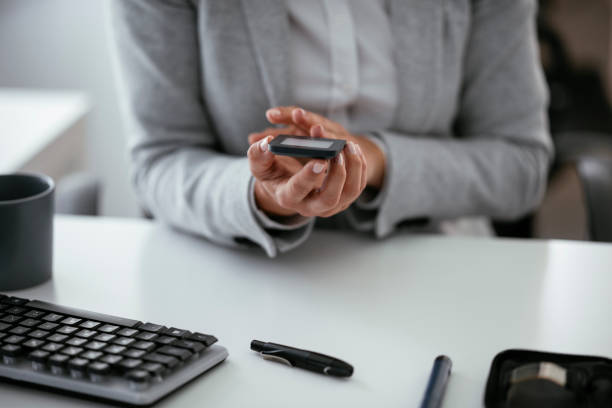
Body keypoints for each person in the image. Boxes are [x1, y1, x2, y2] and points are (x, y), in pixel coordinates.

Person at [112, 0, 552, 257]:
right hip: (234, 264)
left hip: (435, 255)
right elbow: (160, 161)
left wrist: (374, 160)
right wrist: (261, 196)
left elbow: (521, 165)